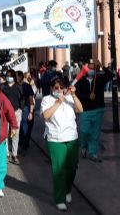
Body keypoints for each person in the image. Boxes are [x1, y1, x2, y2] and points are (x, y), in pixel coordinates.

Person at [41, 78, 84, 212]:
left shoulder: (70, 98)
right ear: (52, 88)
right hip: (55, 138)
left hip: (72, 137)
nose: (59, 90)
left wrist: (74, 94)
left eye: (61, 87)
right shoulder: (47, 100)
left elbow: (80, 109)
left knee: (72, 167)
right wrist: (58, 103)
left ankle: (67, 190)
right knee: (59, 170)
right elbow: (45, 116)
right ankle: (59, 199)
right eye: (56, 88)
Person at [74, 59, 112, 161]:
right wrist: (87, 96)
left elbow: (110, 75)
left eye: (93, 67)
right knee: (84, 131)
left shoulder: (99, 78)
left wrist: (102, 66)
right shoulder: (81, 81)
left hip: (98, 109)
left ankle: (93, 152)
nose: (91, 69)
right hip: (85, 110)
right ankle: (83, 145)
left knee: (95, 132)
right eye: (90, 67)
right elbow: (77, 94)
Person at [0, 70, 24, 164]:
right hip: (4, 113)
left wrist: (21, 109)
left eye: (10, 76)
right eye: (7, 75)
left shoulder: (18, 87)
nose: (8, 77)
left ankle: (14, 154)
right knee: (5, 133)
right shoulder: (2, 87)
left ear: (14, 77)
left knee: (15, 134)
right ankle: (6, 153)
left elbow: (22, 98)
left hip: (16, 112)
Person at [19, 71, 36, 152]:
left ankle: (24, 142)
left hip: (25, 108)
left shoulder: (27, 86)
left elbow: (31, 99)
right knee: (21, 126)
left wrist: (31, 112)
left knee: (24, 125)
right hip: (20, 108)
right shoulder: (16, 86)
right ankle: (22, 142)